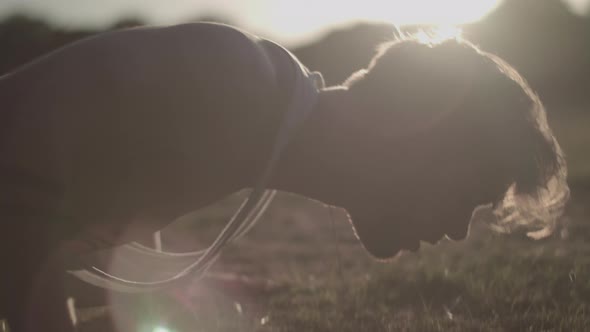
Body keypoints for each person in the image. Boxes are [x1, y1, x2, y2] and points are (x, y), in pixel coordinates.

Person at [0, 22, 568, 331]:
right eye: (467, 196)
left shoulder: (253, 115)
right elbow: (16, 221)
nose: (456, 232)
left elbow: (71, 226)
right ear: (415, 131)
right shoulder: (230, 82)